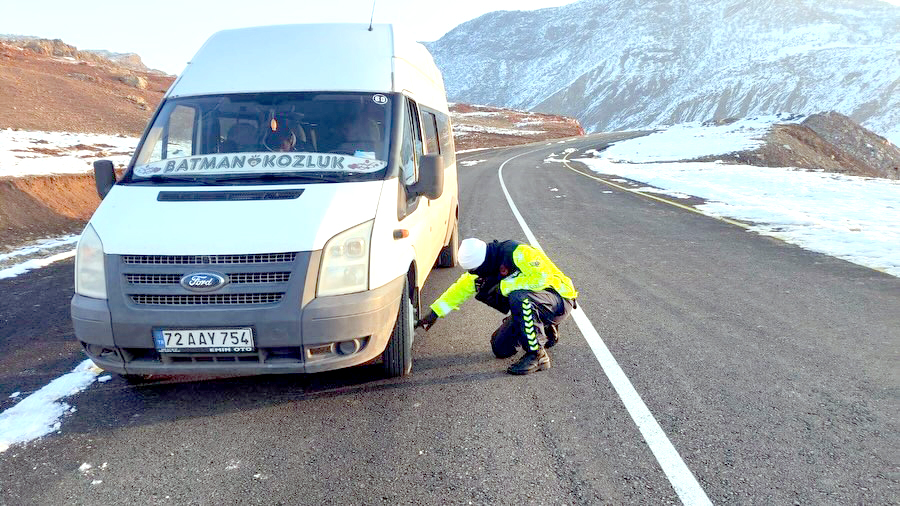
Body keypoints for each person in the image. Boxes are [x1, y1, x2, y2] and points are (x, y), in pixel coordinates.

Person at [416, 238, 578, 375]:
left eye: (475, 270)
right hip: (536, 304)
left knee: (519, 297)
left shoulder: (518, 253)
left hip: (559, 300)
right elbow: (460, 288)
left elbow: (543, 278)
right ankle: (544, 326)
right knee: (500, 348)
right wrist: (435, 313)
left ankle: (537, 355)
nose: (474, 273)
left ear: (484, 261)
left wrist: (504, 286)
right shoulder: (484, 268)